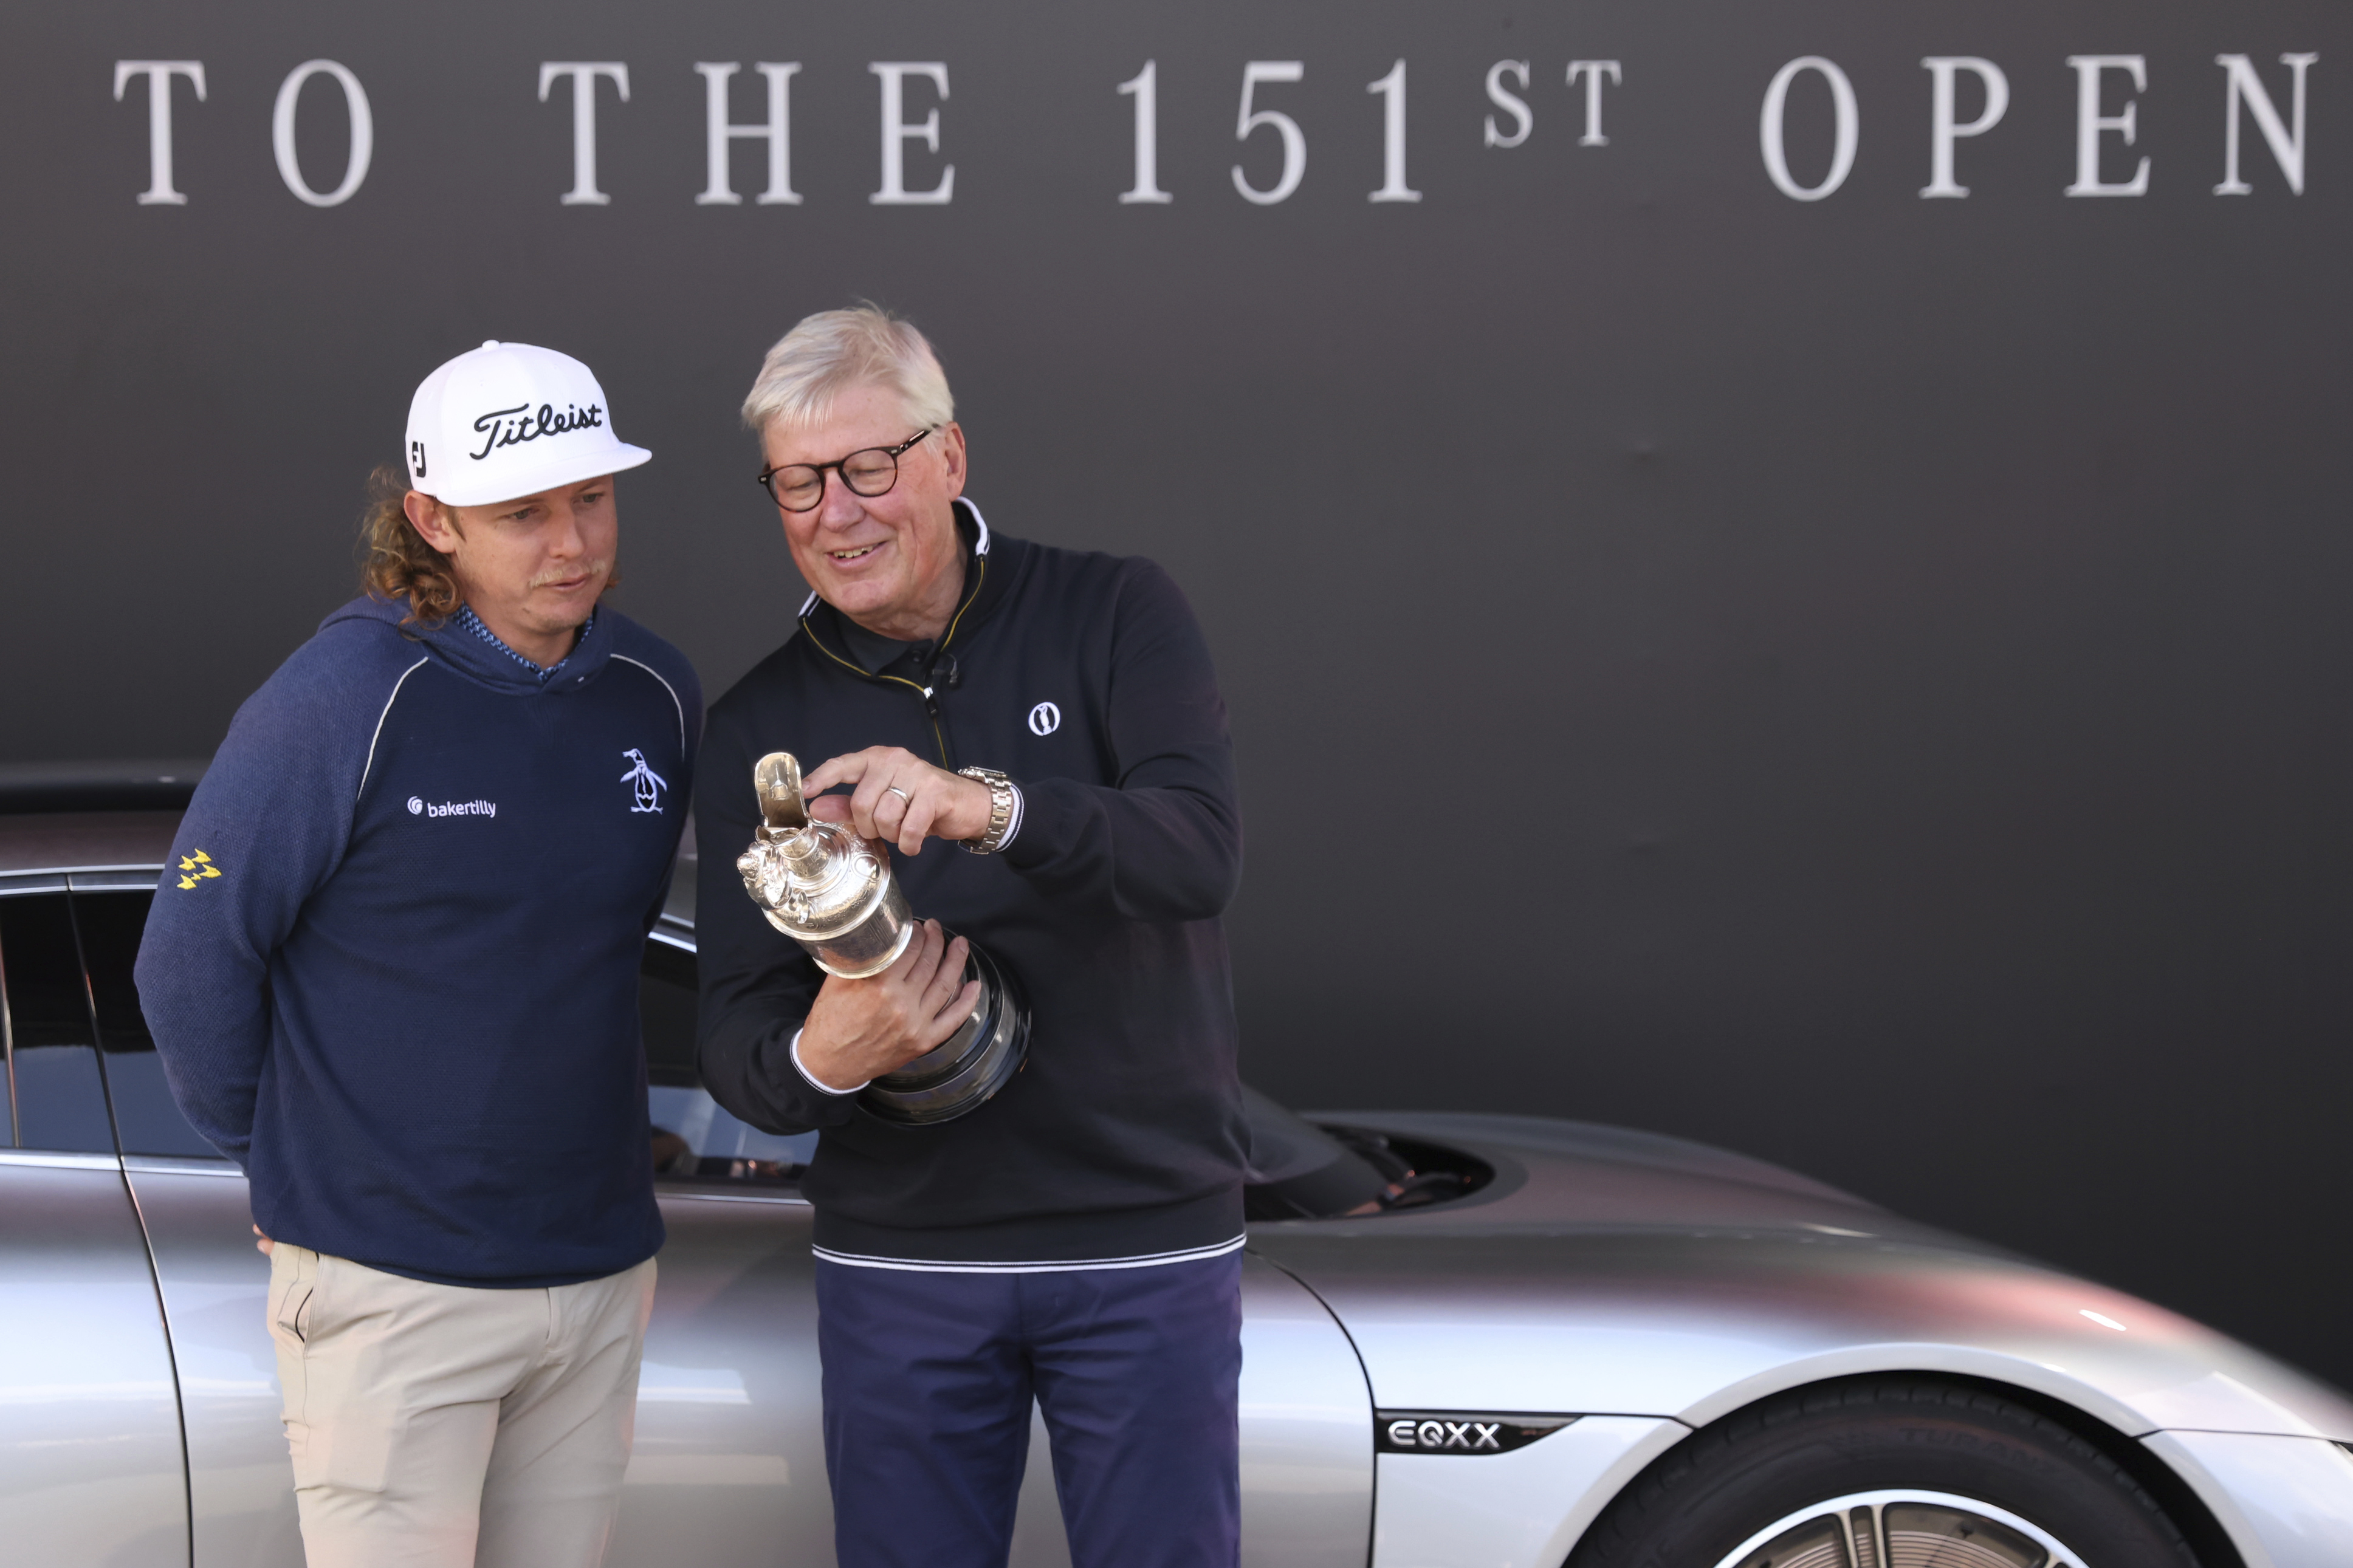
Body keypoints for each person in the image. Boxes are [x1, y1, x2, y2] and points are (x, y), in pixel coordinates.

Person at [694, 305, 1249, 1568]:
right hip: (905, 1254)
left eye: (868, 467)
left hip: (1142, 1230)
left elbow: (1196, 853)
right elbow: (737, 1036)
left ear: (950, 455)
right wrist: (834, 1048)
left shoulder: (1113, 611)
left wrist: (981, 807)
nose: (836, 512)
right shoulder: (755, 728)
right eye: (797, 482)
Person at [136, 340, 700, 1568]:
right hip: (391, 1283)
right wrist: (303, 1169)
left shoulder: (655, 690)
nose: (573, 542)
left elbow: (594, 958)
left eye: (591, 498)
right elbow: (187, 958)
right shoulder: (341, 695)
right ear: (432, 519)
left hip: (598, 1274)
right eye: (524, 513)